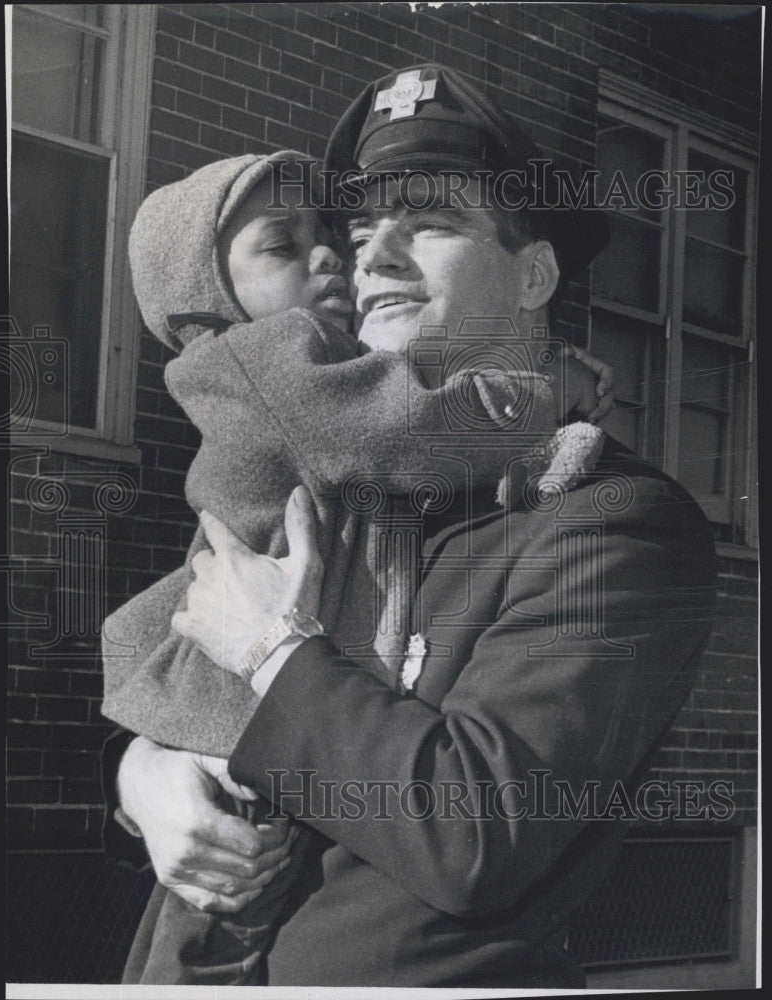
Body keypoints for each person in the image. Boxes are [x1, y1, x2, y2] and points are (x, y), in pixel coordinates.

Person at [104, 64, 717, 988]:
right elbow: (191, 686)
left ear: (534, 271)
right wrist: (140, 779)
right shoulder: (343, 482)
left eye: (429, 223)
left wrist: (272, 652)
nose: (370, 259)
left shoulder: (610, 520)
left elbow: (475, 832)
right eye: (360, 233)